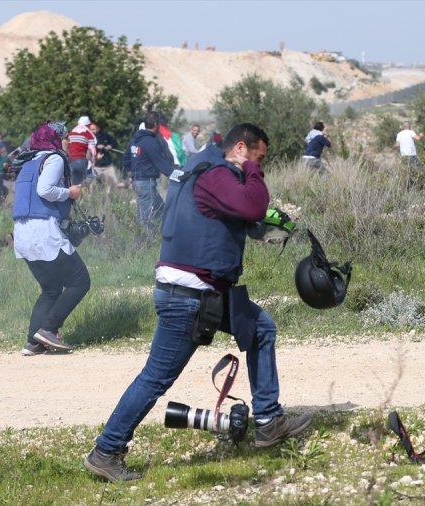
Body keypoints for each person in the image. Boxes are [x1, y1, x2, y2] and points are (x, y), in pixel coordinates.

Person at [84, 123, 312, 482]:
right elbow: (252, 205)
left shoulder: (199, 169)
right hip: (187, 297)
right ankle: (106, 450)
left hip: (201, 290)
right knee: (156, 378)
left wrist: (255, 228)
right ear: (241, 148)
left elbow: (224, 216)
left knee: (261, 328)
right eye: (258, 157)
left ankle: (268, 421)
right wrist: (252, 175)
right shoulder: (218, 173)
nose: (258, 165)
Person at [12, 122, 89, 356]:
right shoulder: (54, 158)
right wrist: (70, 192)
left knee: (51, 288)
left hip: (23, 233)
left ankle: (33, 342)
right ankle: (48, 330)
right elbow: (45, 190)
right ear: (56, 140)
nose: (67, 142)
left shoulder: (28, 161)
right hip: (42, 232)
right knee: (79, 281)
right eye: (65, 138)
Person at [123, 111, 174, 226]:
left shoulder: (135, 140)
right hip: (146, 182)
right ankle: (144, 241)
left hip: (138, 181)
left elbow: (126, 158)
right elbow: (160, 162)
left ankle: (155, 233)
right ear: (156, 124)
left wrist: (133, 173)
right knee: (144, 217)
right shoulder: (150, 142)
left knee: (159, 208)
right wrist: (176, 175)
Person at [89, 121, 120, 190]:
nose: (92, 131)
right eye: (90, 129)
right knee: (93, 185)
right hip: (96, 166)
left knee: (114, 183)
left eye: (93, 129)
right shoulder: (89, 137)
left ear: (98, 129)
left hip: (107, 165)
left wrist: (110, 146)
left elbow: (115, 142)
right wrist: (97, 146)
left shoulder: (105, 135)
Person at [68, 116, 97, 184]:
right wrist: (93, 160)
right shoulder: (89, 134)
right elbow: (92, 150)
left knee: (71, 183)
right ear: (87, 124)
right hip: (80, 160)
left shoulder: (71, 132)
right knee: (82, 183)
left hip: (69, 160)